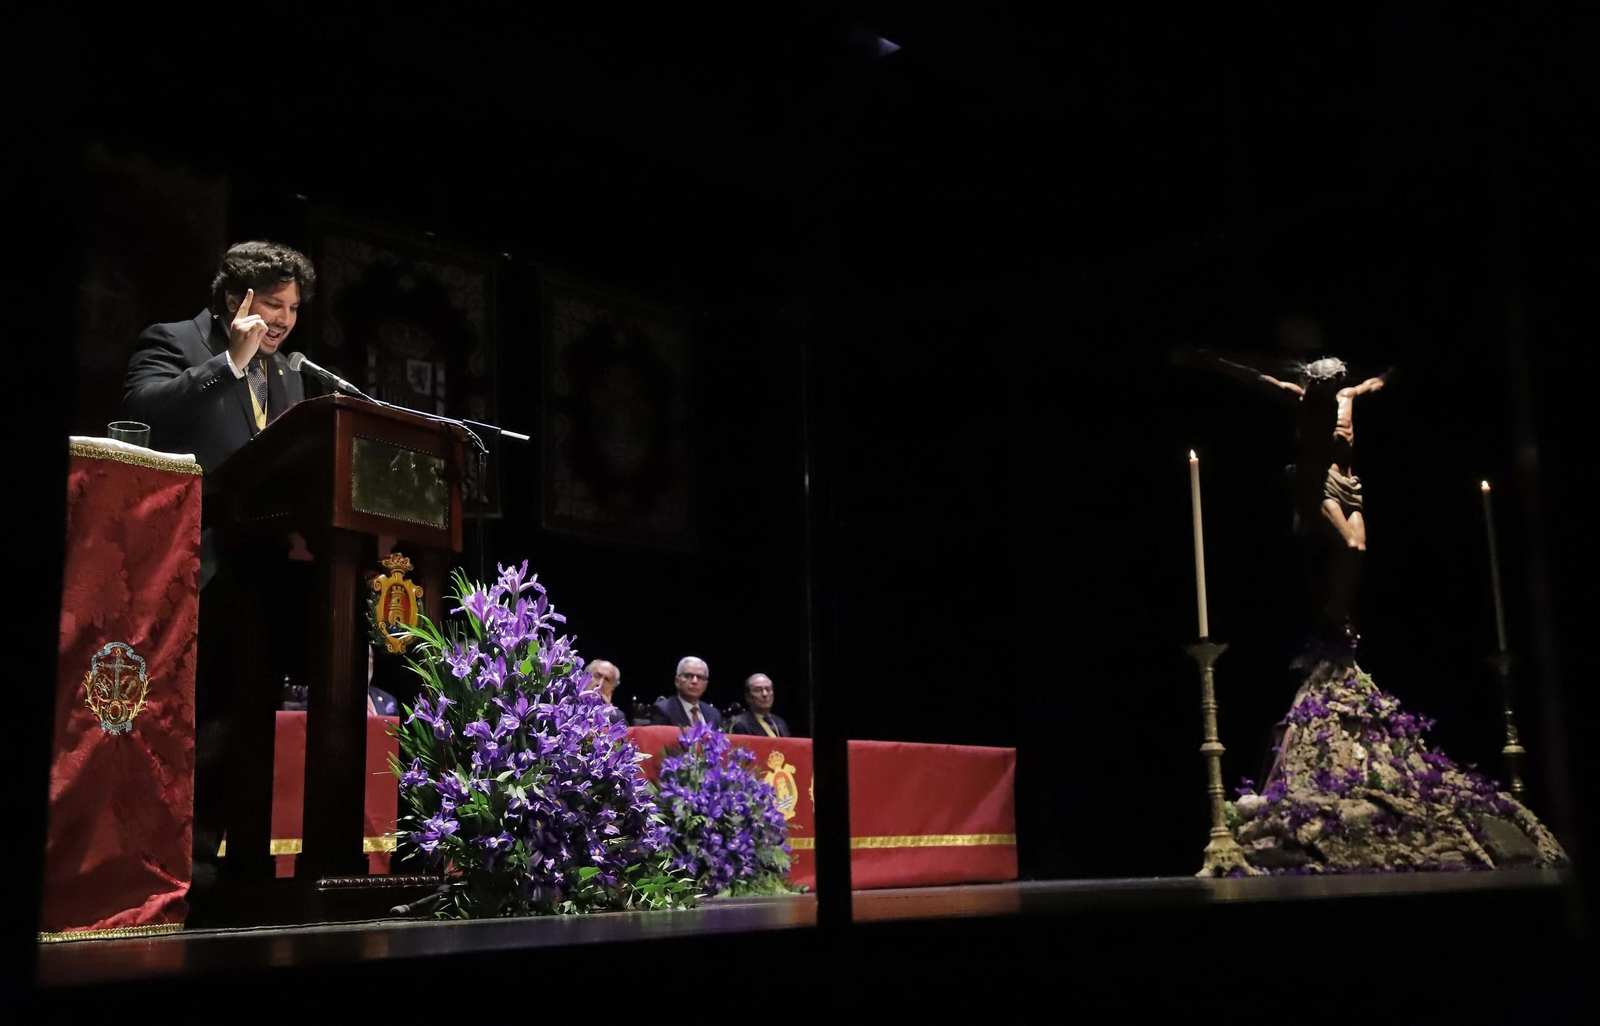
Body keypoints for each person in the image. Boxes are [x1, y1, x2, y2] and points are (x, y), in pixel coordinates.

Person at [1203, 351, 1391, 637]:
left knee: (1359, 550)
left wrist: (1393, 371)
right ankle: (1334, 616)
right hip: (1320, 483)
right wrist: (1213, 361)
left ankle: (1339, 615)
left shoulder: (1348, 397)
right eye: (1320, 385)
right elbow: (1256, 378)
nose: (1324, 390)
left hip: (1350, 485)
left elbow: (1377, 382)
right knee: (1349, 546)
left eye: (1330, 384)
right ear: (1313, 383)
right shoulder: (1300, 400)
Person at [122, 240, 316, 479]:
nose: (285, 320)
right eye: (273, 305)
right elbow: (142, 416)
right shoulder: (173, 339)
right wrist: (230, 363)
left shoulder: (288, 371)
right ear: (233, 301)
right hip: (190, 510)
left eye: (294, 308)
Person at [649, 656, 722, 729]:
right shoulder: (662, 710)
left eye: (700, 677)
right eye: (688, 676)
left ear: (706, 684)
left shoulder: (714, 713)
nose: (694, 681)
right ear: (677, 681)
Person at [585, 659, 627, 725]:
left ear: (612, 688)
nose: (600, 683)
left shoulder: (617, 717)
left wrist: (609, 711)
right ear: (585, 676)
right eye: (597, 676)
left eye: (607, 679)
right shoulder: (569, 702)